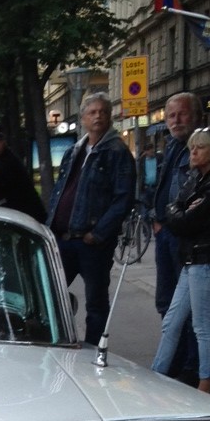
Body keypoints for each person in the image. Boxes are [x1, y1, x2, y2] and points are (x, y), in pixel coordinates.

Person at [151, 126, 210, 394]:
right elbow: (174, 208)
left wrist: (179, 212)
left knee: (201, 325)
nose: (193, 152)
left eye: (200, 147)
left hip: (206, 259)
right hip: (193, 258)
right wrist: (179, 211)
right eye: (191, 147)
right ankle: (156, 375)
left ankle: (205, 382)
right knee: (172, 321)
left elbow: (185, 220)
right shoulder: (197, 180)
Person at [45, 92, 135, 345]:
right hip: (63, 239)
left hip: (91, 242)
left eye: (103, 112)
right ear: (83, 118)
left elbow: (124, 199)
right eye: (92, 112)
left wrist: (98, 233)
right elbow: (61, 190)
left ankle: (94, 351)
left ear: (109, 117)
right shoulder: (75, 150)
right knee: (50, 293)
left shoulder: (116, 151)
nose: (98, 116)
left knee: (96, 302)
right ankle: (57, 341)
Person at [149, 92, 200, 380]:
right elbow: (159, 187)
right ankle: (176, 361)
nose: (176, 120)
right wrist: (155, 219)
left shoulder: (199, 147)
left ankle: (190, 368)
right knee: (166, 301)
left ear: (195, 116)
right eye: (171, 115)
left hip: (184, 236)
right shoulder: (171, 147)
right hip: (165, 233)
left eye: (182, 114)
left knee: (188, 305)